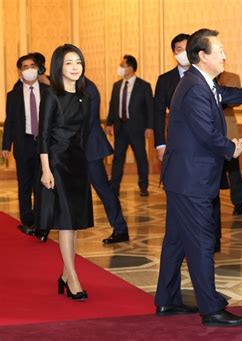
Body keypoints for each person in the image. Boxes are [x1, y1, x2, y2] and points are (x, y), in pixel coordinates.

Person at [154, 28, 242, 327]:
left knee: (175, 240)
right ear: (203, 56)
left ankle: (167, 299)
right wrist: (234, 147)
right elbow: (208, 134)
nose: (225, 55)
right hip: (192, 181)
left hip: (182, 178)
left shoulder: (201, 82)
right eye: (220, 50)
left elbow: (227, 95)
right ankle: (211, 308)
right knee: (201, 242)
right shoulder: (194, 87)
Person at [35, 44, 93, 300]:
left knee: (74, 224)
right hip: (57, 162)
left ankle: (65, 274)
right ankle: (73, 279)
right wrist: (46, 169)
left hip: (78, 162)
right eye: (69, 62)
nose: (75, 67)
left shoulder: (84, 96)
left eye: (78, 62)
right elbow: (44, 134)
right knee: (66, 222)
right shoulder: (52, 95)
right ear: (59, 66)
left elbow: (85, 134)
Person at [2, 54, 48, 234]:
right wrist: (6, 145)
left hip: (43, 145)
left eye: (32, 66)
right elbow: (10, 121)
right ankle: (28, 221)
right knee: (25, 185)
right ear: (20, 71)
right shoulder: (13, 95)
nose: (29, 69)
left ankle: (41, 221)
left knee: (42, 185)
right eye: (25, 66)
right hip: (23, 144)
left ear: (37, 69)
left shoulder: (47, 91)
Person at [85, 78, 130, 244]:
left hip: (89, 149)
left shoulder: (88, 88)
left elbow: (87, 122)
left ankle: (120, 228)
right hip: (72, 148)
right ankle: (43, 226)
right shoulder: (64, 87)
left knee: (103, 189)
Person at [106, 55, 154, 197]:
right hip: (120, 127)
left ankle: (143, 186)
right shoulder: (116, 86)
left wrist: (149, 127)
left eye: (123, 65)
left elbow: (150, 108)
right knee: (118, 159)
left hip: (137, 128)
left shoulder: (144, 86)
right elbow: (112, 106)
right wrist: (109, 123)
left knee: (141, 157)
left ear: (131, 68)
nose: (120, 67)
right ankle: (114, 187)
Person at [154, 33, 190, 161]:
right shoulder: (164, 80)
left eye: (187, 49)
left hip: (204, 140)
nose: (184, 53)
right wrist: (160, 144)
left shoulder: (206, 76)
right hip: (176, 139)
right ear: (174, 53)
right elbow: (158, 113)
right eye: (179, 49)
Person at [217, 70, 242, 216]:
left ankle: (238, 202)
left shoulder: (231, 77)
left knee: (233, 169)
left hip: (228, 130)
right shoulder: (200, 76)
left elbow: (236, 100)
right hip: (210, 132)